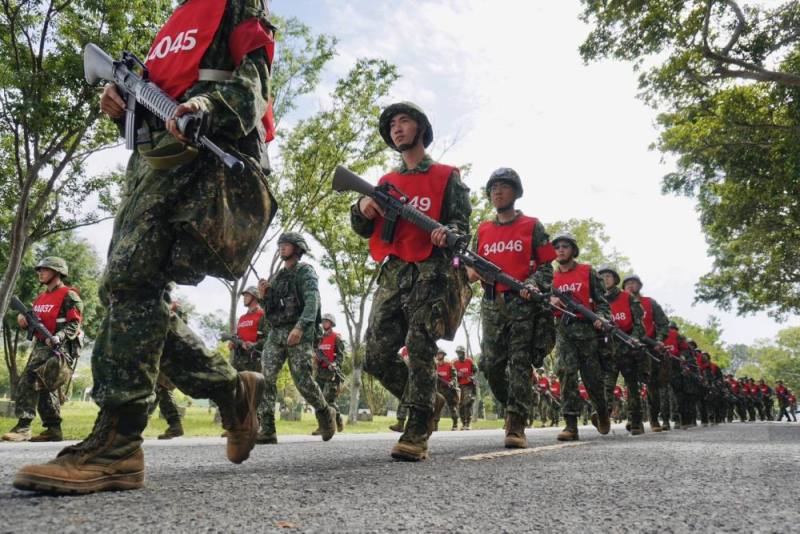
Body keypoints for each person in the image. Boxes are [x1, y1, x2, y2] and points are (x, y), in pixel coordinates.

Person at [14, 1, 276, 494]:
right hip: (152, 163)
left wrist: (203, 108)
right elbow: (154, 99)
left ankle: (117, 445)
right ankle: (230, 388)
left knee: (130, 282)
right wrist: (120, 104)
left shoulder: (236, 4)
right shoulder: (174, 21)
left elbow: (252, 87)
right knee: (133, 290)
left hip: (204, 158)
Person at [349, 102, 471, 461]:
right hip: (394, 272)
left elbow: (462, 226)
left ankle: (417, 428)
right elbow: (361, 229)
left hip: (431, 274)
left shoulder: (448, 175)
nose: (397, 129)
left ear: (421, 128)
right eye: (392, 125)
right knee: (374, 355)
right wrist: (361, 208)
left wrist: (447, 233)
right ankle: (426, 401)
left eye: (404, 122)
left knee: (419, 347)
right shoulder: (387, 182)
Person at [469, 167, 555, 448]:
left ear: (516, 192)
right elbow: (469, 267)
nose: (497, 191)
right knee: (491, 364)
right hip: (492, 302)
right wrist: (472, 271)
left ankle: (516, 424)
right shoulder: (482, 229)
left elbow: (546, 267)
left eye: (504, 186)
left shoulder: (532, 225)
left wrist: (532, 285)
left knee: (520, 363)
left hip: (523, 304)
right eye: (493, 187)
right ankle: (511, 405)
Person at [256, 232, 337, 444]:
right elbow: (270, 310)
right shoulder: (278, 277)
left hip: (299, 333)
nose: (282, 247)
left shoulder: (305, 272)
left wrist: (300, 328)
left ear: (297, 248)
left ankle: (324, 411)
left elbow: (313, 303)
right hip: (277, 334)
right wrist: (264, 296)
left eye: (287, 244)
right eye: (280, 244)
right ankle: (267, 428)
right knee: (266, 378)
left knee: (303, 381)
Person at [3, 258, 83, 443]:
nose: (40, 273)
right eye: (39, 270)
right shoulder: (40, 298)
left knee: (29, 379)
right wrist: (23, 321)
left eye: (45, 270)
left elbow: (74, 324)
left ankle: (24, 426)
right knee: (45, 386)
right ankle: (53, 429)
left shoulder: (69, 295)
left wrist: (59, 337)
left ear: (57, 272)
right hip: (40, 346)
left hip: (59, 348)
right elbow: (33, 322)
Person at [549, 233, 612, 441]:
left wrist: (601, 318)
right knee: (566, 373)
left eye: (565, 246)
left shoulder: (587, 271)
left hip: (587, 331)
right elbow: (542, 305)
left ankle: (602, 412)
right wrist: (551, 301)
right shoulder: (550, 277)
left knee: (592, 379)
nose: (560, 249)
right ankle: (570, 424)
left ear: (573, 250)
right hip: (563, 331)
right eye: (557, 246)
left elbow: (602, 302)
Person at [597, 265, 648, 435]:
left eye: (609, 276)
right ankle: (603, 416)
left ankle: (636, 422)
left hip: (627, 349)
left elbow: (639, 325)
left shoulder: (628, 298)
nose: (605, 278)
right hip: (607, 350)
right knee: (606, 385)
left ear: (615, 279)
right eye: (602, 276)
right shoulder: (596, 299)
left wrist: (633, 339)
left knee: (632, 387)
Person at [622, 274, 670, 431]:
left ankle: (654, 419)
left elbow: (663, 323)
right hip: (627, 346)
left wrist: (660, 340)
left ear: (639, 286)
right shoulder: (620, 302)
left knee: (651, 385)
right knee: (631, 384)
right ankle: (634, 418)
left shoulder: (650, 303)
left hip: (649, 347)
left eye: (633, 283)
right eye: (627, 283)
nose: (630, 286)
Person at [313, 313, 346, 434]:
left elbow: (342, 356)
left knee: (328, 400)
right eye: (323, 321)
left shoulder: (337, 337)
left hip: (332, 373)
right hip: (320, 373)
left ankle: (338, 418)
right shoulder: (319, 339)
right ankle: (321, 426)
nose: (324, 323)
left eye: (326, 321)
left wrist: (335, 364)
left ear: (331, 323)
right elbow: (316, 353)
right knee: (317, 399)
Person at [231, 286, 267, 373]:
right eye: (244, 296)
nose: (244, 298)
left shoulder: (263, 315)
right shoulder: (242, 318)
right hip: (237, 361)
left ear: (255, 298)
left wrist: (254, 344)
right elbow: (239, 335)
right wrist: (233, 342)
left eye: (247, 296)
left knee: (253, 386)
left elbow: (269, 338)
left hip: (254, 361)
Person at [434, 349, 460, 431]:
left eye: (440, 354)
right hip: (438, 390)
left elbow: (454, 376)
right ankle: (435, 426)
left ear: (443, 355)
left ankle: (455, 424)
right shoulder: (435, 366)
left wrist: (452, 382)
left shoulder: (449, 365)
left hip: (449, 390)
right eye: (437, 354)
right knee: (436, 408)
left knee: (452, 407)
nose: (438, 355)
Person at [454, 347, 478, 431]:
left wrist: (472, 377)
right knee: (460, 404)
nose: (460, 354)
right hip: (460, 386)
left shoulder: (469, 361)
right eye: (458, 353)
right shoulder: (455, 363)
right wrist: (457, 375)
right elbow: (453, 375)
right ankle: (463, 423)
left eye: (461, 353)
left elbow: (475, 370)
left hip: (469, 385)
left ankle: (468, 423)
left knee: (467, 403)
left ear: (464, 353)